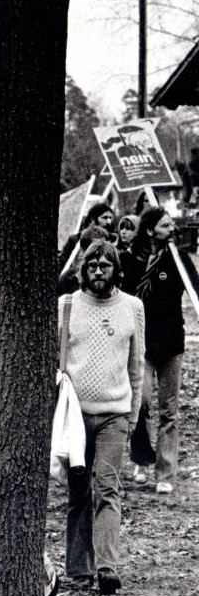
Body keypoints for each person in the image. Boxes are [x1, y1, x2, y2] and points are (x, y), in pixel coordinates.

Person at [59, 242, 144, 595]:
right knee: (79, 492)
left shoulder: (132, 307)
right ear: (82, 269)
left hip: (115, 413)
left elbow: (136, 365)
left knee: (108, 487)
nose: (97, 271)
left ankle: (107, 568)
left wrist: (134, 413)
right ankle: (79, 570)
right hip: (74, 416)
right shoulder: (66, 306)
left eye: (105, 265)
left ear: (116, 269)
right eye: (91, 264)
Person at [120, 207, 186, 494]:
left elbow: (193, 287)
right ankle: (142, 460)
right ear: (150, 231)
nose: (171, 229)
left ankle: (165, 472)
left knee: (169, 409)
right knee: (142, 400)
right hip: (141, 342)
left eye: (172, 225)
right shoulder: (132, 260)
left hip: (171, 341)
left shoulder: (178, 259)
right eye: (164, 225)